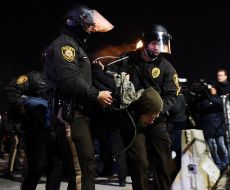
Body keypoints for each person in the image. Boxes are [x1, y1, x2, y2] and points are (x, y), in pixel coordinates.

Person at [43, 4, 113, 190]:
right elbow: (71, 79)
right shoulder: (65, 46)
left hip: (77, 112)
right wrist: (96, 94)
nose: (91, 29)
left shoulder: (75, 45)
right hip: (69, 113)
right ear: (75, 22)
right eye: (88, 25)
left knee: (81, 167)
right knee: (83, 166)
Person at [114, 24, 179, 190]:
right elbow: (111, 78)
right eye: (154, 43)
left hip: (157, 121)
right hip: (134, 121)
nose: (158, 48)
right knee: (139, 162)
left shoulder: (166, 67)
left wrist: (156, 113)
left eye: (161, 44)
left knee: (164, 162)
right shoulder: (127, 60)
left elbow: (171, 96)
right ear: (146, 43)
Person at [4, 71, 61, 190]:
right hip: (35, 130)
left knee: (55, 167)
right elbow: (10, 90)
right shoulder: (34, 77)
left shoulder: (61, 81)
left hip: (54, 130)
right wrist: (23, 106)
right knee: (37, 167)